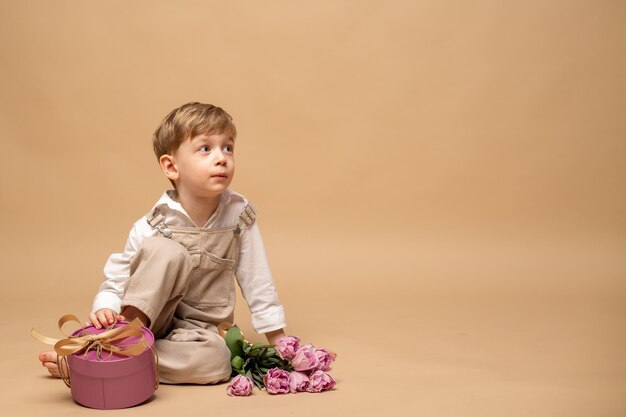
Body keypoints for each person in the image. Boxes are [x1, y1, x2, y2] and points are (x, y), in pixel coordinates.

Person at [39, 102, 287, 384]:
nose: (221, 158)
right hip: (144, 321)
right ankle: (116, 343)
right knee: (165, 250)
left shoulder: (240, 218)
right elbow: (120, 277)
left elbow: (258, 280)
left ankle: (111, 362)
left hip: (198, 332)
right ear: (171, 166)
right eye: (206, 149)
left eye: (227, 148)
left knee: (217, 361)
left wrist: (279, 340)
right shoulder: (152, 224)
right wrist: (105, 306)